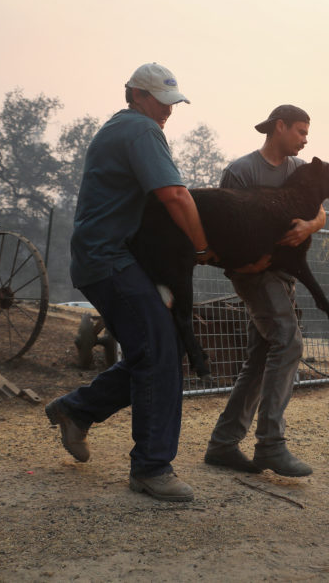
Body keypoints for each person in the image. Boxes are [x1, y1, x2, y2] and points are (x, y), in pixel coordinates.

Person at [45, 62, 218, 502]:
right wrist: (202, 248)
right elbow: (175, 194)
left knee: (154, 351)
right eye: (162, 101)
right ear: (138, 96)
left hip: (103, 257)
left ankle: (76, 410)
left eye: (173, 103)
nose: (168, 111)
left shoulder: (119, 128)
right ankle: (150, 468)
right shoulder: (141, 130)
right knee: (160, 353)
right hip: (108, 259)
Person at [203, 104, 323, 477]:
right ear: (280, 127)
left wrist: (310, 227)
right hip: (254, 275)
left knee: (260, 358)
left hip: (283, 275)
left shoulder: (300, 171)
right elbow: (222, 226)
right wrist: (241, 267)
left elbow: (321, 212)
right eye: (301, 132)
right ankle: (271, 445)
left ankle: (223, 444)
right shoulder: (240, 172)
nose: (306, 139)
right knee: (288, 341)